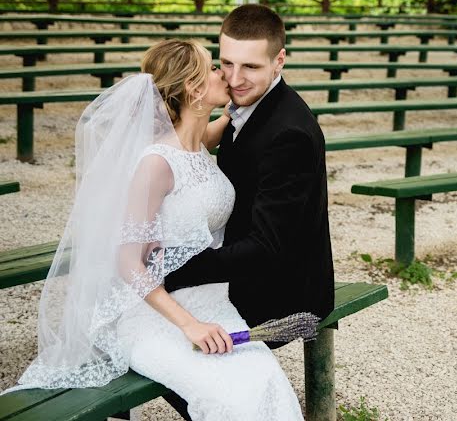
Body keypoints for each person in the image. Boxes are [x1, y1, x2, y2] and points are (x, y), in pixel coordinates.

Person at [8, 39, 309, 420]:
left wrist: (247, 101)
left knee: (268, 382)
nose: (225, 75)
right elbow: (128, 261)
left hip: (212, 302)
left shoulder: (197, 142)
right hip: (156, 317)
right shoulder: (156, 164)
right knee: (230, 400)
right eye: (214, 68)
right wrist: (190, 326)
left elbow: (216, 127)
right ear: (193, 88)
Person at [163, 4, 336, 418]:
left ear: (280, 60)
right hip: (237, 262)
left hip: (278, 287)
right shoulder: (244, 107)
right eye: (226, 63)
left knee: (178, 346)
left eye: (251, 67)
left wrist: (176, 271)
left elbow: (267, 247)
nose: (235, 80)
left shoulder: (288, 133)